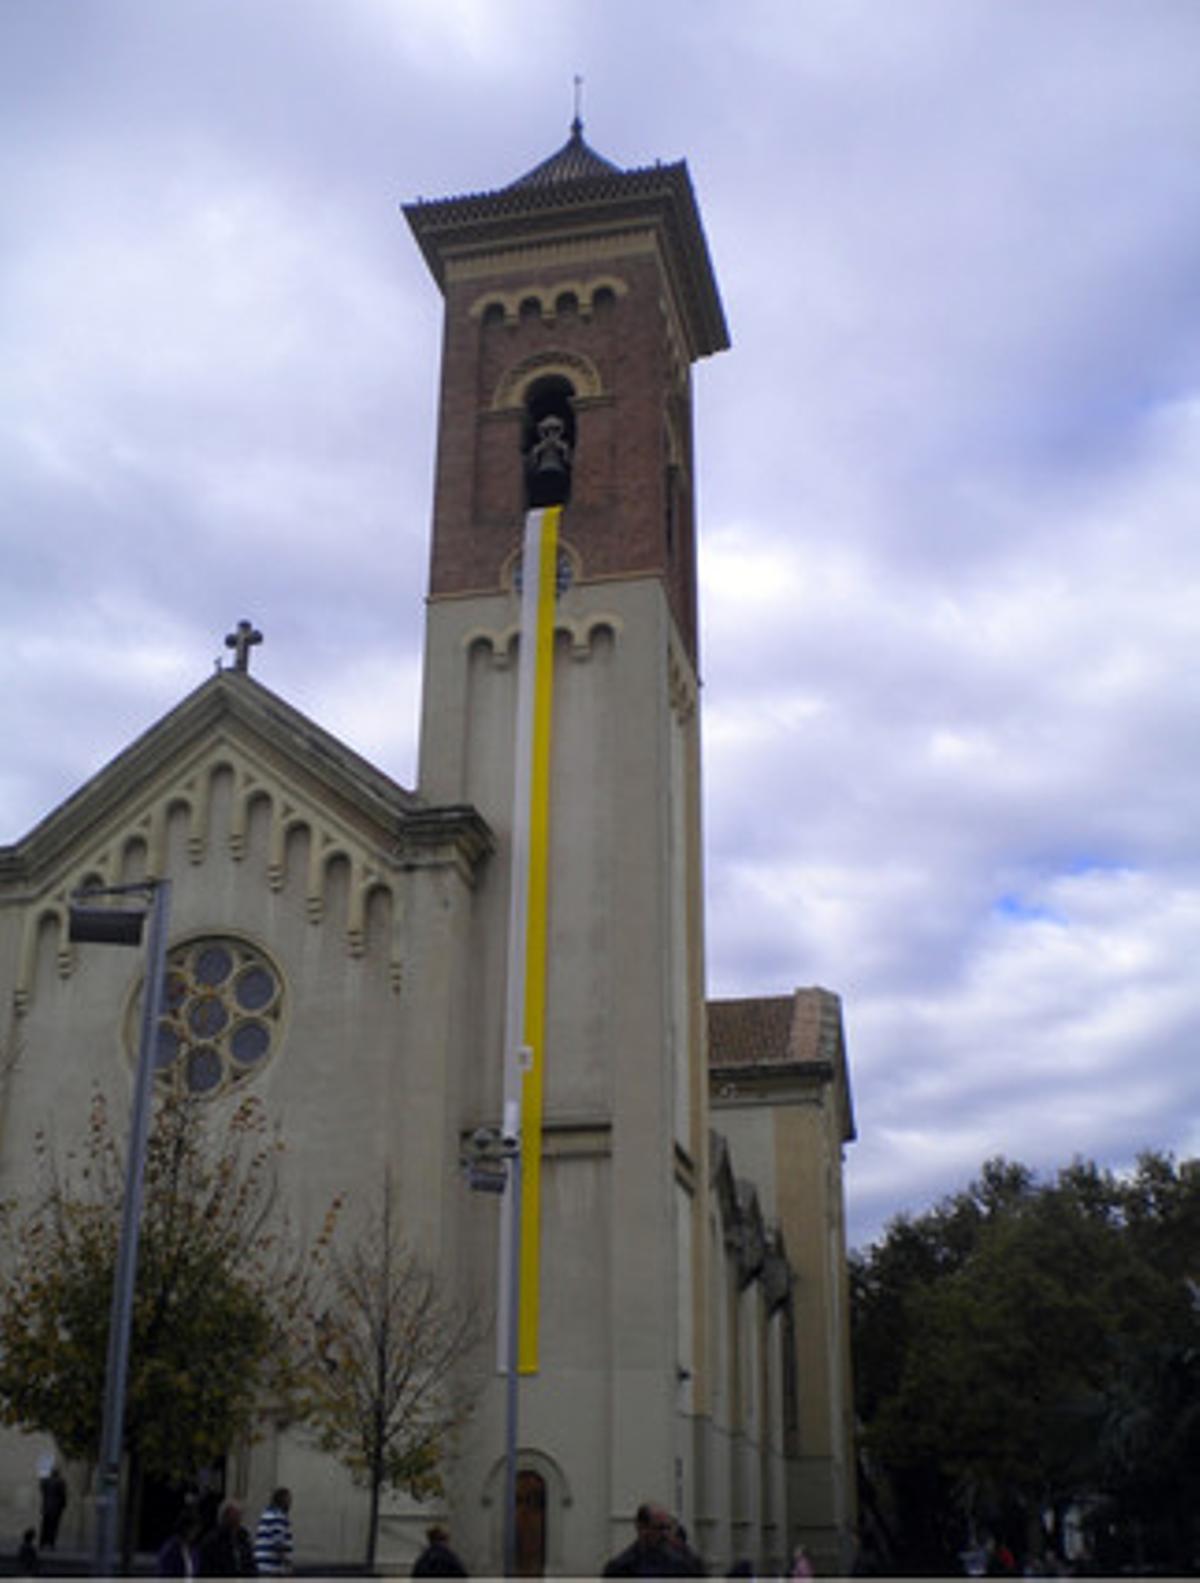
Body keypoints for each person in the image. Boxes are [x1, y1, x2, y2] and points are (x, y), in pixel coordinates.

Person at [603, 1503, 690, 1576]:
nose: (665, 1534)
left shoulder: (685, 1562)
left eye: (668, 1528)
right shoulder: (621, 1567)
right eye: (660, 1528)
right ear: (642, 1529)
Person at [197, 1500, 257, 1577]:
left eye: (239, 1516)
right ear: (224, 1517)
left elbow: (250, 1563)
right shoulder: (212, 1541)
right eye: (234, 1516)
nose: (238, 1520)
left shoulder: (243, 1539)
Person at [253, 1489, 294, 1577]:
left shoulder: (266, 1514)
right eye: (289, 1500)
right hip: (272, 1567)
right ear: (283, 1501)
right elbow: (278, 1542)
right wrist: (286, 1562)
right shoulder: (278, 1517)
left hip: (261, 1564)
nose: (290, 1503)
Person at [38, 1468, 67, 1551]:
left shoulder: (45, 1481)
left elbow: (42, 1490)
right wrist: (64, 1505)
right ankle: (51, 1543)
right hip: (56, 1507)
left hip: (46, 1507)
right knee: (53, 1527)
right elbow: (63, 1495)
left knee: (45, 1526)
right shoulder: (60, 1482)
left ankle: (42, 1543)